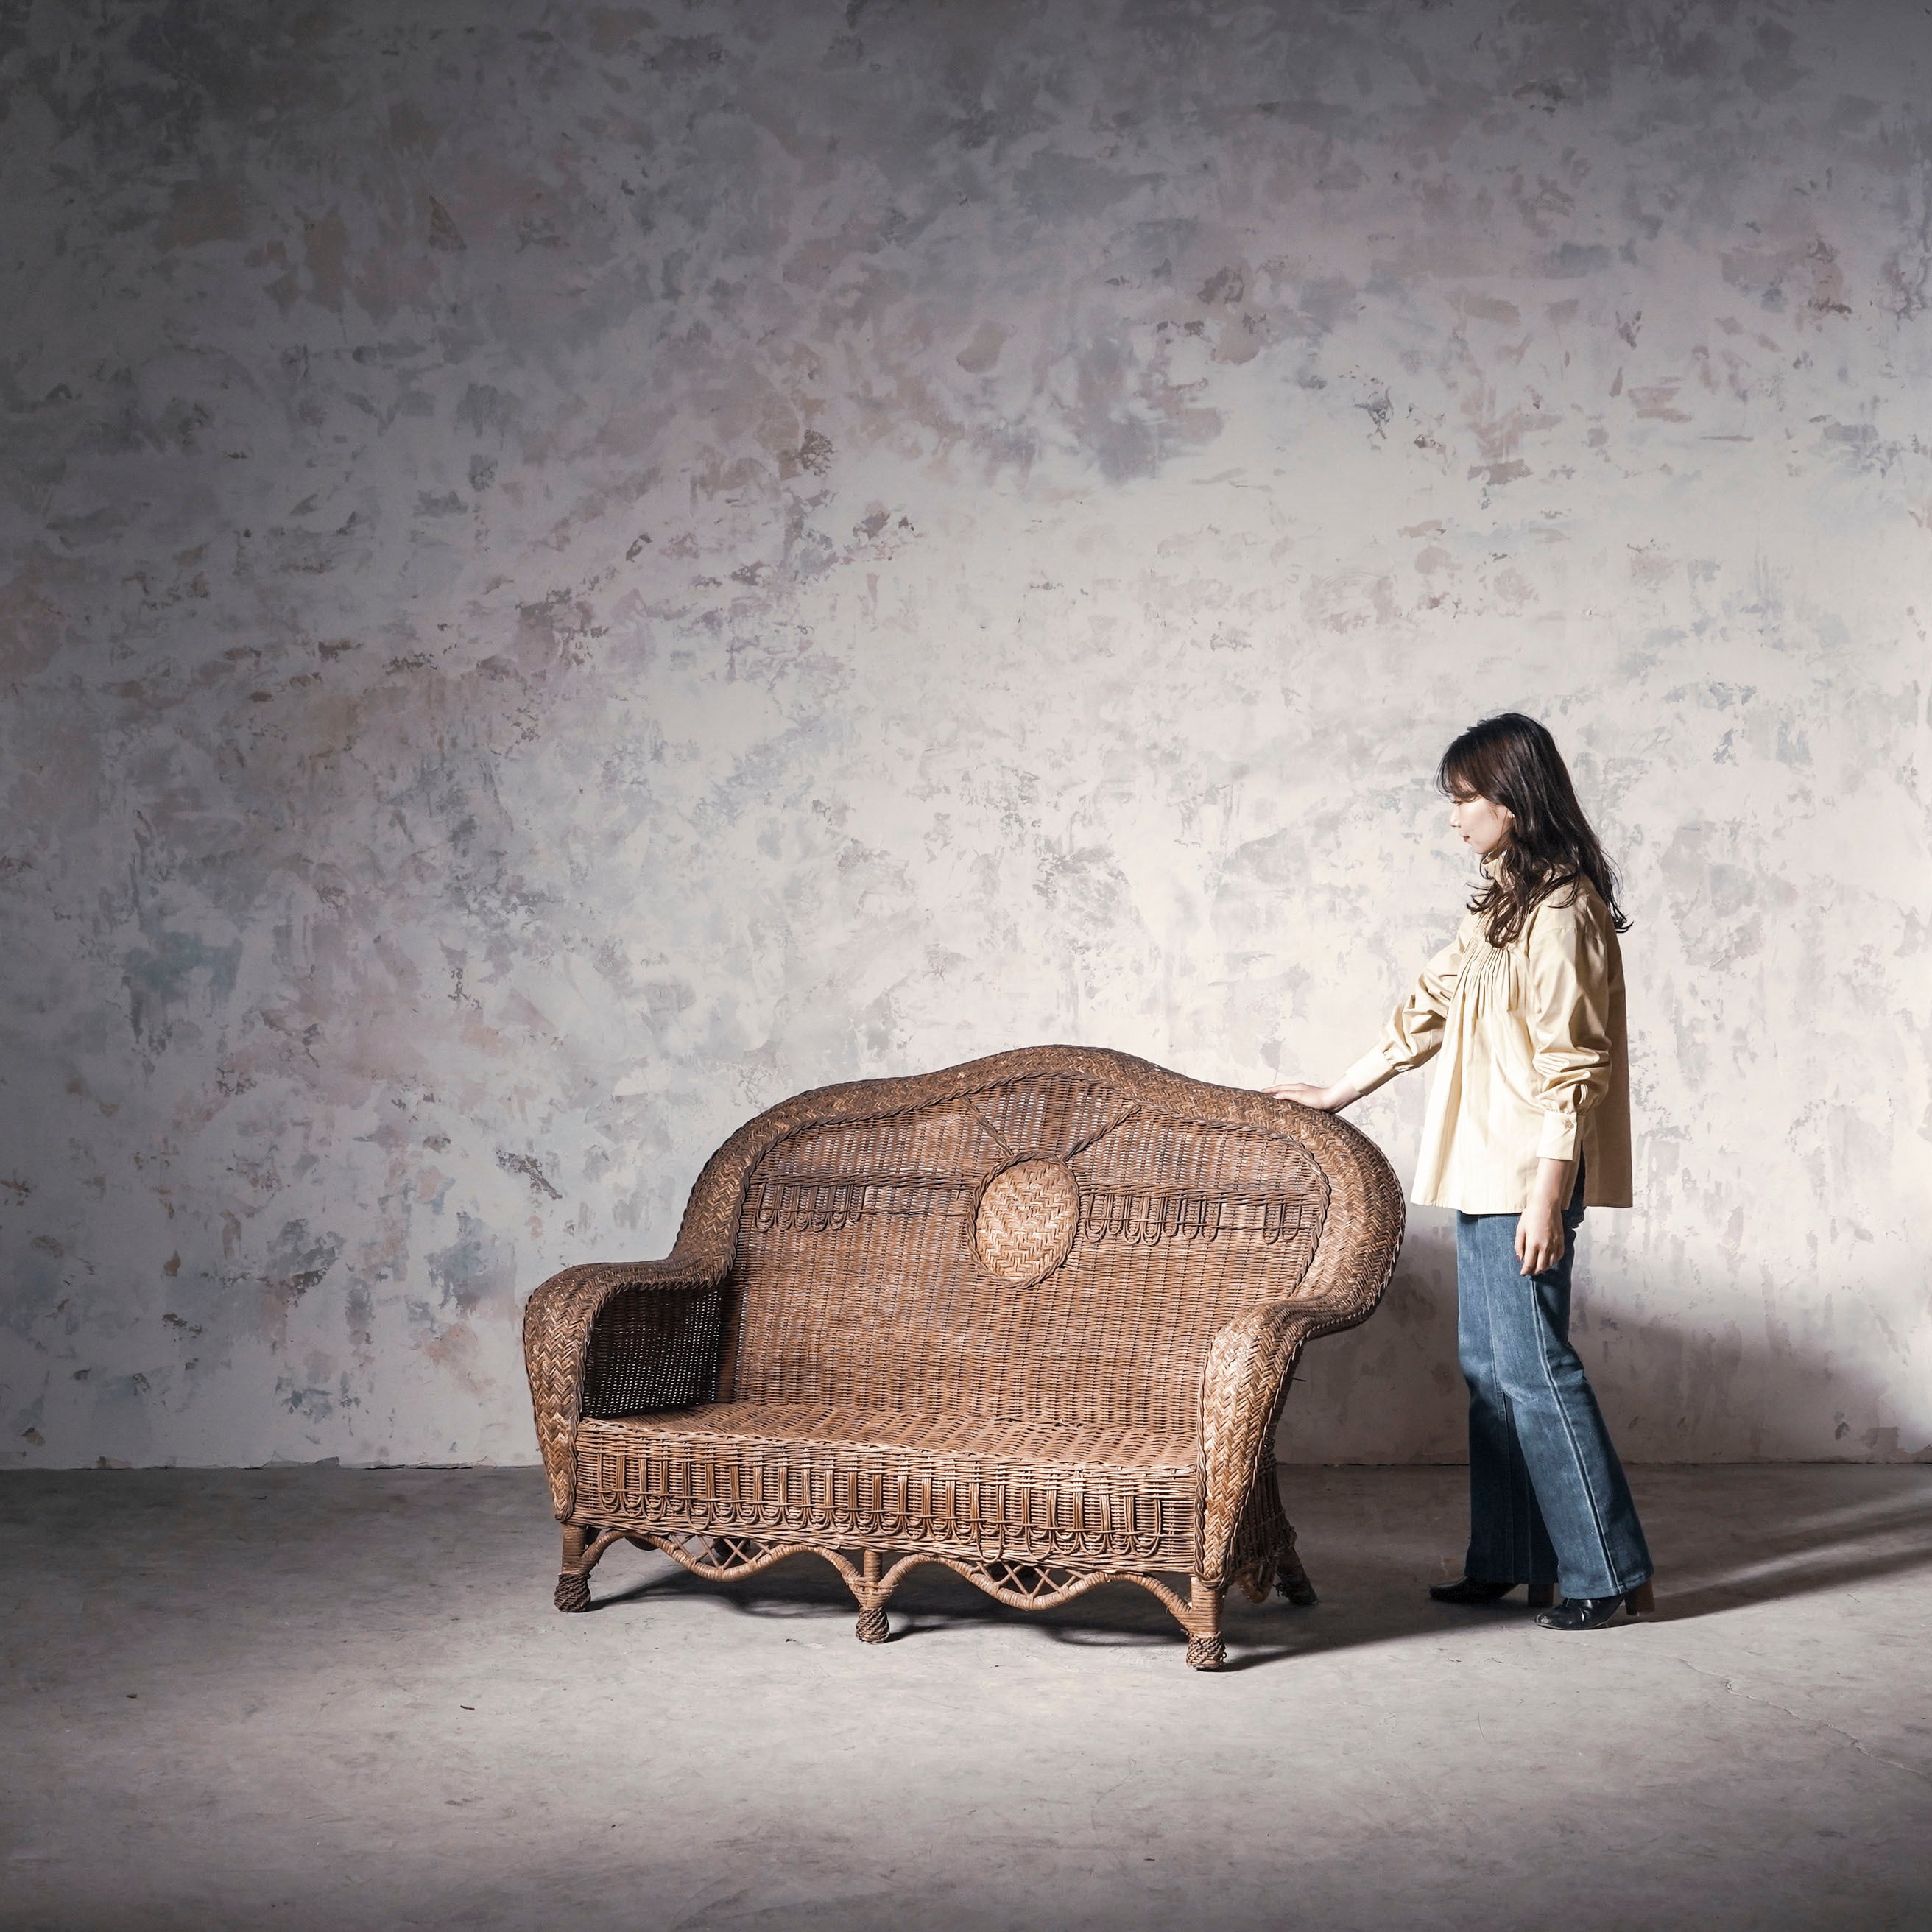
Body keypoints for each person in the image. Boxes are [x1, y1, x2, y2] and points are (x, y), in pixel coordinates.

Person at [1272, 713, 1654, 1630]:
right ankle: (1511, 1557)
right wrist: (1336, 1092)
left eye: (1464, 798)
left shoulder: (1562, 913)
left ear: (1510, 802)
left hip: (1527, 1175)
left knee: (1535, 1369)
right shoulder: (1500, 906)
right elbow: (1427, 1004)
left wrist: (1546, 1198)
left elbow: (1574, 1066)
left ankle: (1608, 1571)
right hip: (1483, 1166)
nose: (1453, 817)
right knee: (1490, 1370)